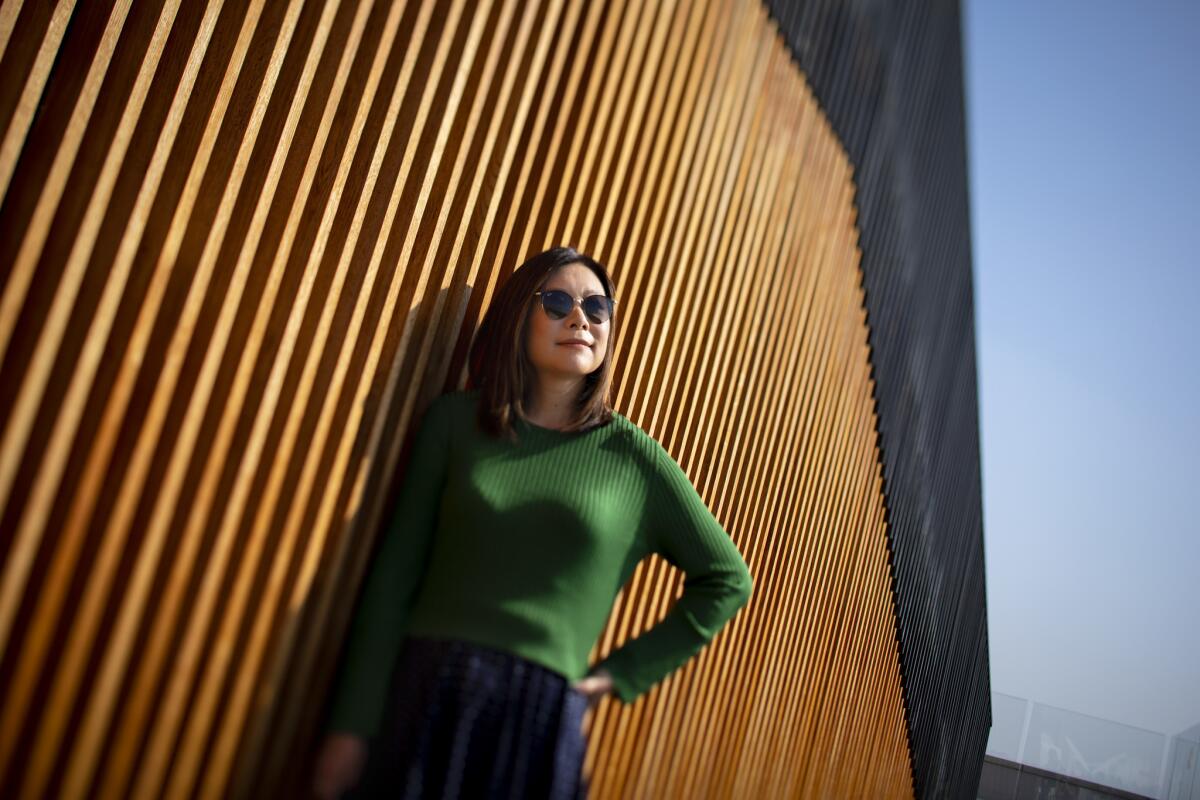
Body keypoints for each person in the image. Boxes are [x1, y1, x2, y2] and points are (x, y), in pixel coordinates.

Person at [312, 247, 754, 799]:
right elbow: (391, 583)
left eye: (597, 307)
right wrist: (350, 728)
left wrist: (620, 674)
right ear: (519, 316)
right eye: (557, 302)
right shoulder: (454, 424)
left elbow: (727, 579)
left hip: (540, 721)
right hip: (428, 692)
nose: (581, 319)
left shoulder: (633, 458)